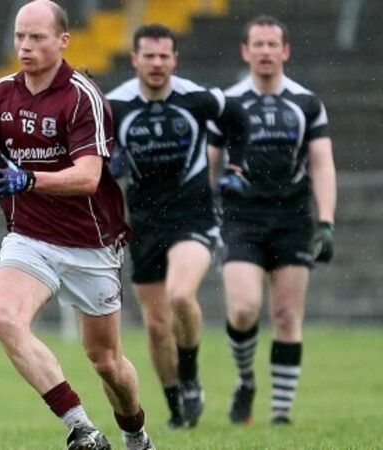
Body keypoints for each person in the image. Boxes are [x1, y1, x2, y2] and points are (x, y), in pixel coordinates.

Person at [0, 2, 154, 448]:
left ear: (63, 41)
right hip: (29, 238)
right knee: (3, 318)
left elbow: (88, 178)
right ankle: (81, 427)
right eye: (20, 36)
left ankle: (136, 435)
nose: (25, 46)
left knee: (106, 361)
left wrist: (28, 178)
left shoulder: (82, 97)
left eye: (37, 37)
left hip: (91, 243)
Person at [104, 24, 248, 429]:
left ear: (174, 60)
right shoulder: (114, 106)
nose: (156, 63)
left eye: (163, 56)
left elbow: (239, 118)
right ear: (135, 59)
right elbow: (92, 150)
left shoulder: (197, 98)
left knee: (181, 295)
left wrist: (235, 168)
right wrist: (111, 158)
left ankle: (190, 378)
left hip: (193, 215)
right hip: (143, 222)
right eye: (149, 56)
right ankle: (175, 410)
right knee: (155, 325)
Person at [208, 15, 336, 426]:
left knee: (286, 315)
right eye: (258, 45)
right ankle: (246, 380)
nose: (265, 52)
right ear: (245, 51)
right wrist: (205, 212)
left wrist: (326, 221)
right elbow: (209, 164)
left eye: (272, 45)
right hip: (240, 216)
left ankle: (280, 413)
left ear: (285, 51)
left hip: (292, 217)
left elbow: (322, 165)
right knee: (245, 309)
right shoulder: (227, 103)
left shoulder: (306, 103)